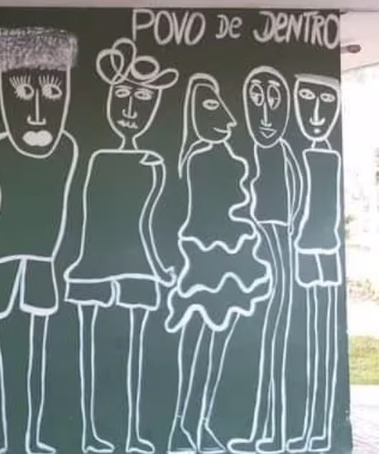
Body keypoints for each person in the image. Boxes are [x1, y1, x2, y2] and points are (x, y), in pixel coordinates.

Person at [64, 37, 177, 454]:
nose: (130, 109)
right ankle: (96, 433)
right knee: (99, 351)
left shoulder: (148, 164)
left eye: (142, 100)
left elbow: (144, 224)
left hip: (126, 266)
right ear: (111, 100)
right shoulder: (99, 159)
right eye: (123, 96)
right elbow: (85, 216)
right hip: (99, 264)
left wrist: (159, 266)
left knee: (128, 351)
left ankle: (124, 434)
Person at [0, 26, 78, 454]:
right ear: (2, 95)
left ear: (67, 96)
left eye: (51, 93)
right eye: (21, 94)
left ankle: (29, 438)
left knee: (36, 352)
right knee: (0, 349)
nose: (36, 113)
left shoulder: (67, 149)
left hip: (42, 261)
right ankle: (4, 437)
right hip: (1, 256)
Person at [166, 73, 272, 454]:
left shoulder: (218, 156)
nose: (225, 118)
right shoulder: (198, 159)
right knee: (200, 343)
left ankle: (196, 424)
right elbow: (203, 209)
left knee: (211, 345)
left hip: (227, 257)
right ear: (195, 113)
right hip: (206, 257)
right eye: (210, 106)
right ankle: (185, 425)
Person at [229, 66, 304, 453]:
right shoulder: (247, 153)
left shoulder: (284, 153)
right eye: (255, 99)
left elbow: (300, 200)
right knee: (266, 340)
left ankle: (274, 432)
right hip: (260, 254)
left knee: (276, 340)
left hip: (278, 253)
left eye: (274, 100)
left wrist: (286, 237)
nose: (265, 113)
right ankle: (266, 431)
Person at [286, 73, 342, 453]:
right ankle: (310, 429)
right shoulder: (295, 156)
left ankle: (322, 427)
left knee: (326, 340)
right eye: (307, 99)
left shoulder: (331, 157)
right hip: (305, 250)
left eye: (327, 102)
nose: (318, 114)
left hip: (328, 251)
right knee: (309, 338)